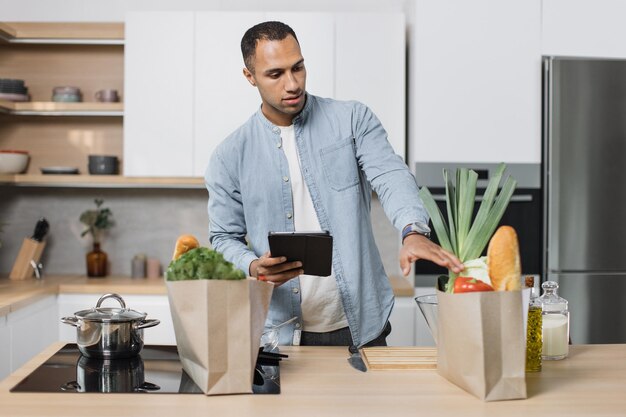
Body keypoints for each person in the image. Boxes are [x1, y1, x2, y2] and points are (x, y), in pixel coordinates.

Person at [206, 21, 463, 348]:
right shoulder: (229, 155)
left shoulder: (352, 120)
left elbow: (390, 175)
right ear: (249, 76)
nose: (292, 83)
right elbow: (222, 236)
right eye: (276, 74)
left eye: (297, 67)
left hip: (362, 328)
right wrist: (253, 265)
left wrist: (413, 230)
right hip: (279, 335)